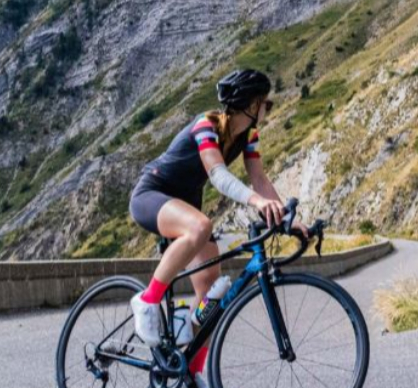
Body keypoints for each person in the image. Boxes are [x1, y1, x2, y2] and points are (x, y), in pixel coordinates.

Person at [128, 69, 304, 382]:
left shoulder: (249, 136)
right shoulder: (205, 125)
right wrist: (257, 203)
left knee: (211, 299)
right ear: (251, 104)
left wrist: (290, 220)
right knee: (200, 226)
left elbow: (259, 179)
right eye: (268, 104)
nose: (269, 110)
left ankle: (192, 372)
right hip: (152, 195)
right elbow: (218, 175)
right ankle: (147, 301)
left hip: (185, 206)